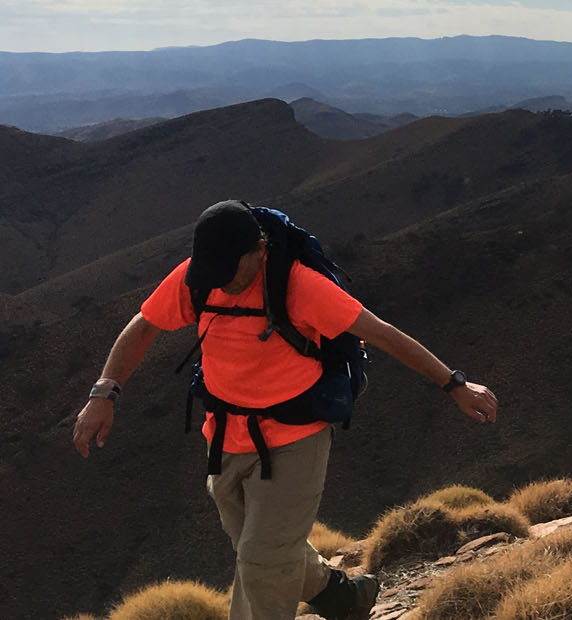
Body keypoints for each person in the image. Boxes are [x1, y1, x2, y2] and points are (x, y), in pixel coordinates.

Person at [69, 201, 499, 620]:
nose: (220, 283)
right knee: (260, 549)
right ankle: (343, 598)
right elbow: (145, 324)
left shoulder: (301, 286)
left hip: (297, 438)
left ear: (259, 250)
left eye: (228, 272)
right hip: (226, 434)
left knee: (259, 563)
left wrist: (454, 383)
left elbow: (383, 334)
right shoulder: (199, 277)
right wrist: (104, 393)